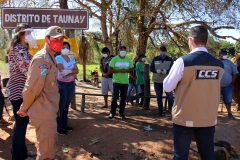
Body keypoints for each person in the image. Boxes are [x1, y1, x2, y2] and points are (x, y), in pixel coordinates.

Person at [163, 25, 224, 160]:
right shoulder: (219, 65)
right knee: (208, 155)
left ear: (190, 40)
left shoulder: (183, 61)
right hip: (207, 118)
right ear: (207, 41)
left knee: (181, 156)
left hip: (185, 117)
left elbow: (167, 87)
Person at [17, 26, 67, 159]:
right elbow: (32, 87)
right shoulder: (42, 59)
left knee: (49, 147)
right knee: (46, 153)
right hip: (43, 111)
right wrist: (24, 107)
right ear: (47, 39)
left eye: (61, 39)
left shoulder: (51, 58)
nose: (60, 42)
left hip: (48, 110)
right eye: (56, 39)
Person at [6, 23, 36, 160]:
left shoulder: (23, 49)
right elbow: (27, 70)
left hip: (23, 91)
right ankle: (18, 156)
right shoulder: (18, 50)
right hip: (18, 90)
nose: (30, 35)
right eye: (27, 33)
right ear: (20, 35)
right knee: (20, 123)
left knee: (23, 123)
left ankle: (22, 151)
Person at [56, 42, 79, 135]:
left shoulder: (72, 58)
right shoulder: (58, 58)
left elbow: (77, 70)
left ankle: (65, 124)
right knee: (61, 106)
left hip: (71, 84)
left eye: (67, 48)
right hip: (62, 84)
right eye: (63, 47)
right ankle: (59, 126)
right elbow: (62, 71)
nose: (65, 49)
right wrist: (72, 71)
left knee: (66, 105)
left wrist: (69, 72)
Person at [108, 45, 133, 119]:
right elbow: (110, 70)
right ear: (118, 51)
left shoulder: (128, 59)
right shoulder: (114, 59)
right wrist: (120, 70)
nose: (123, 51)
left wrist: (126, 70)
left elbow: (131, 69)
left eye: (124, 50)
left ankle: (121, 113)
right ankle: (112, 112)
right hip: (116, 81)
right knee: (115, 97)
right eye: (121, 50)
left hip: (125, 82)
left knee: (123, 98)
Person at [150, 46, 174, 116]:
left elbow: (173, 70)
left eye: (164, 53)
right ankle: (160, 111)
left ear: (166, 52)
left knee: (170, 96)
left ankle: (172, 111)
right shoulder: (155, 59)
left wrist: (167, 71)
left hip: (167, 81)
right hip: (157, 80)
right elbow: (151, 68)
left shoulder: (170, 59)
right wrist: (156, 70)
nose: (162, 54)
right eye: (161, 52)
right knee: (158, 96)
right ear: (159, 52)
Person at [219, 48, 238, 119]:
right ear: (219, 54)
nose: (225, 55)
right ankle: (213, 114)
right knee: (214, 100)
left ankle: (229, 113)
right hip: (216, 86)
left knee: (228, 100)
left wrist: (232, 82)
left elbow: (235, 73)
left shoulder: (229, 63)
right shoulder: (215, 62)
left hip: (228, 86)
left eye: (225, 54)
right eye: (223, 54)